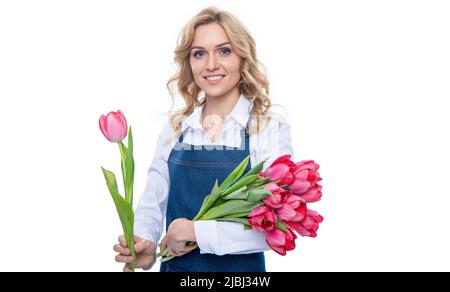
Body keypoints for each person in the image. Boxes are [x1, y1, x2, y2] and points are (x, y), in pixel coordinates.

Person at [113, 6, 293, 272]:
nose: (211, 65)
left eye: (224, 51)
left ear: (243, 58)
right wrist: (145, 241)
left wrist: (196, 232)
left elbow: (277, 225)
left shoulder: (267, 126)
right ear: (190, 62)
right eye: (199, 54)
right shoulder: (175, 128)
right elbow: (153, 201)